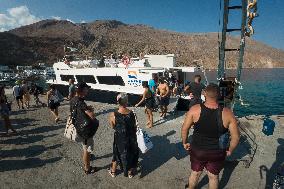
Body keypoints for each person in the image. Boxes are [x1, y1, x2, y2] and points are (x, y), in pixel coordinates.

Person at [181, 83, 240, 189]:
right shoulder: (228, 113)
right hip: (217, 152)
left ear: (204, 94)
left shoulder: (195, 109)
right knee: (213, 177)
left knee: (195, 173)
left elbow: (185, 129)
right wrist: (230, 150)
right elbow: (236, 137)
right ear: (219, 95)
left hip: (198, 150)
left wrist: (184, 142)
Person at [108, 93, 139, 178]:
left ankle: (113, 172)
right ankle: (130, 173)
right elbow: (135, 127)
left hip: (120, 138)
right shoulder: (132, 113)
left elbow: (112, 126)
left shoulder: (113, 115)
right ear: (127, 102)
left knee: (117, 153)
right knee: (130, 153)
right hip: (131, 138)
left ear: (118, 102)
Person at [70, 82, 97, 174]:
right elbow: (92, 116)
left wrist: (86, 108)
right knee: (87, 149)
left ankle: (87, 160)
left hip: (78, 126)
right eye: (86, 89)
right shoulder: (81, 102)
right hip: (84, 130)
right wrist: (91, 111)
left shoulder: (73, 99)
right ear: (82, 90)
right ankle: (87, 168)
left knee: (85, 147)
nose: (88, 90)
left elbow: (76, 111)